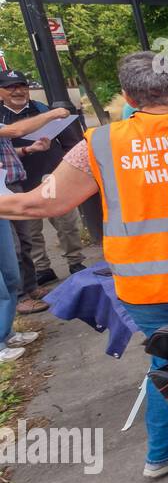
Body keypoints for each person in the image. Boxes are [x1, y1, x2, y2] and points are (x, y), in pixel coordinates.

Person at [0, 52, 168, 483]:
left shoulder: (100, 143)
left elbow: (42, 202)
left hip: (143, 286)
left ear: (126, 96)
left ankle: (164, 452)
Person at [0, 71, 87, 310]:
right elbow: (15, 133)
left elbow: (69, 141)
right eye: (10, 87)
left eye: (22, 86)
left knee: (59, 225)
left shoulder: (39, 107)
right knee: (23, 238)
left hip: (45, 175)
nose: (18, 91)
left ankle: (67, 266)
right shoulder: (7, 117)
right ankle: (32, 282)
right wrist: (50, 116)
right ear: (0, 92)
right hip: (14, 184)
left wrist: (34, 151)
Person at [0, 97, 77, 360]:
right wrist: (54, 113)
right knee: (4, 272)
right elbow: (15, 131)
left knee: (11, 267)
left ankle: (6, 333)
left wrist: (28, 150)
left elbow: (9, 145)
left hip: (8, 192)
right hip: (6, 197)